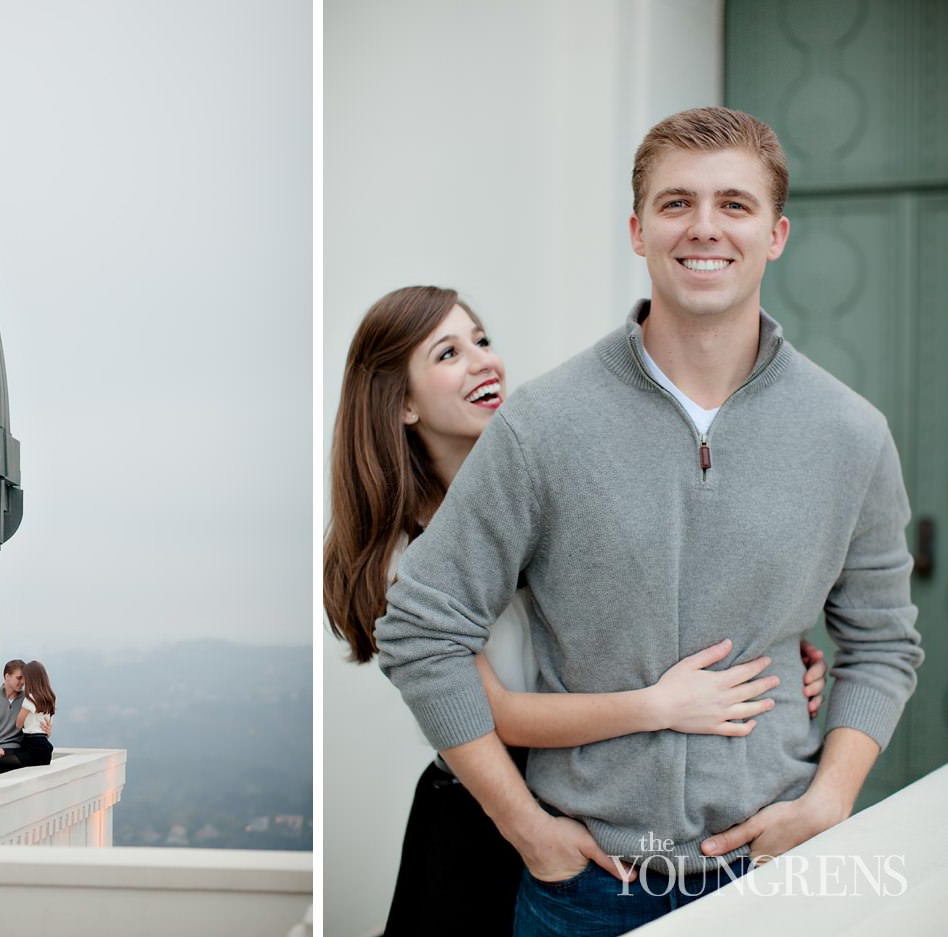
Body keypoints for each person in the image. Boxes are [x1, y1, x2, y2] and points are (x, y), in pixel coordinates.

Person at [375, 107, 923, 937]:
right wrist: (529, 830)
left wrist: (828, 801)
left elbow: (883, 641)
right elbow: (420, 631)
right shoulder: (543, 424)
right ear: (637, 230)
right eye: (677, 204)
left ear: (777, 234)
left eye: (734, 204)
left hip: (777, 875)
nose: (705, 226)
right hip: (587, 892)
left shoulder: (851, 433)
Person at [324, 285, 828, 935]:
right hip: (486, 816)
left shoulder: (548, 481)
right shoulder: (407, 559)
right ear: (402, 404)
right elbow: (496, 714)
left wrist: (779, 661)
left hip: (591, 796)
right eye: (448, 353)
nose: (484, 361)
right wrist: (660, 704)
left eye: (482, 339)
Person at [0, 659, 57, 777]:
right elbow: (47, 726)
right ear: (7, 676)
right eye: (19, 678)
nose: (23, 682)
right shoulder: (49, 698)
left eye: (24, 678)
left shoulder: (29, 699)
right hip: (42, 747)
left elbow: (19, 723)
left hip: (32, 747)